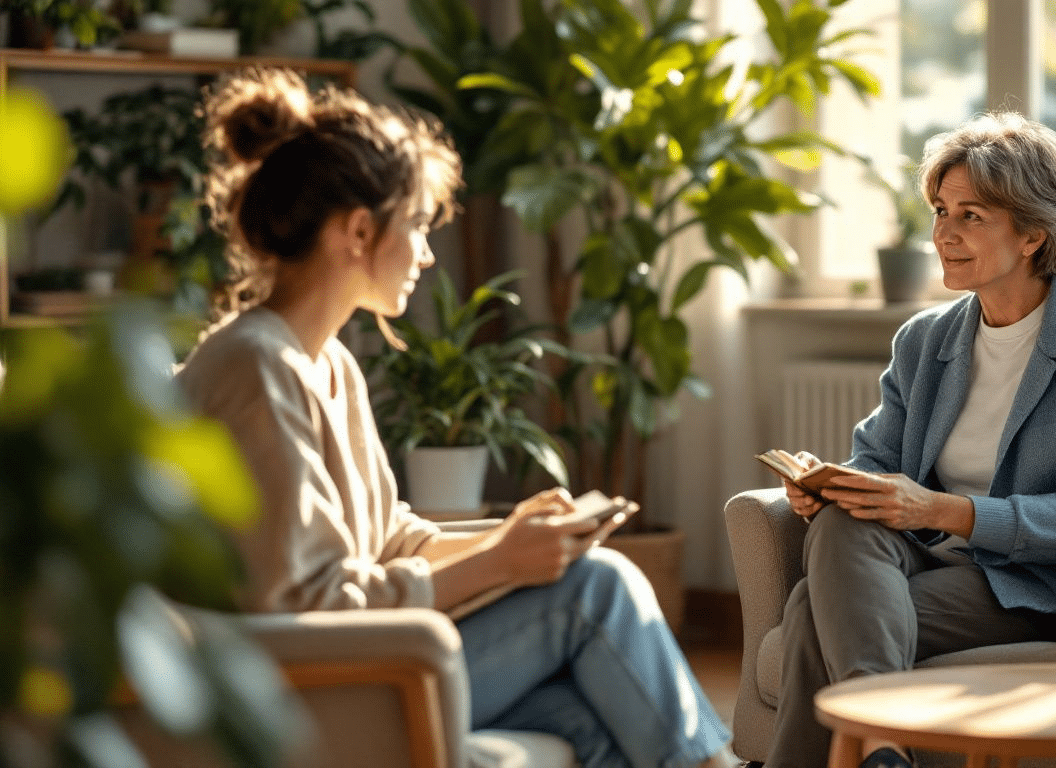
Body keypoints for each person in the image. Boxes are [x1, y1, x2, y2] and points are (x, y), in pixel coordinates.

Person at [175, 67, 735, 768]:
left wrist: (510, 538)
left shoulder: (328, 363)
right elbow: (303, 604)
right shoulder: (255, 368)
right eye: (416, 225)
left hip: (364, 663)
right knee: (599, 588)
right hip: (309, 690)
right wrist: (500, 562)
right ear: (357, 230)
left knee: (595, 716)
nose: (428, 252)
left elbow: (389, 540)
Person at [766, 112, 1056, 768]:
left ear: (1033, 233)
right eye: (939, 210)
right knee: (841, 526)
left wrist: (942, 511)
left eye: (971, 216)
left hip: (1037, 581)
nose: (943, 235)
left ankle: (872, 745)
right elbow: (879, 460)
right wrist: (832, 484)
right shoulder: (926, 339)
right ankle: (880, 748)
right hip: (932, 560)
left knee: (812, 609)